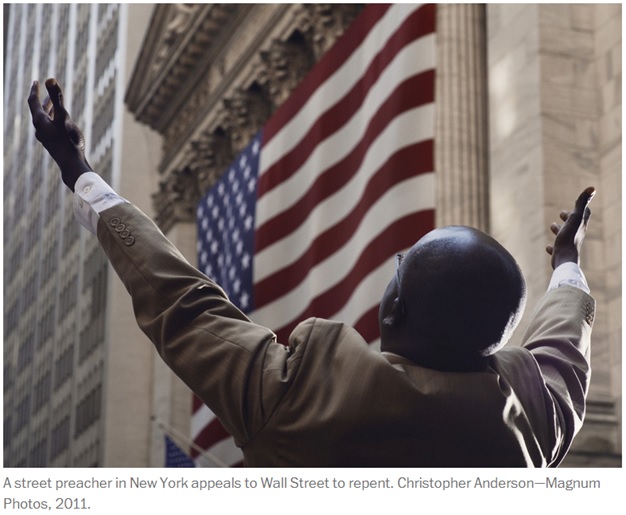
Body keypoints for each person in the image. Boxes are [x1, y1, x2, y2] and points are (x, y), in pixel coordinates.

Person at [28, 78, 596, 467]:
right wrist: (567, 263)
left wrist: (77, 170)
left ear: (393, 309)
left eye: (402, 265)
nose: (394, 266)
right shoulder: (537, 424)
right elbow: (564, 342)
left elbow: (184, 302)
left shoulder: (299, 400)